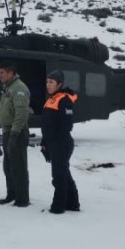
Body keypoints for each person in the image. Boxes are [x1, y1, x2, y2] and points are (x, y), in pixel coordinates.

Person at [40, 69, 80, 214]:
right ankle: (73, 203)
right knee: (63, 173)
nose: (48, 85)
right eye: (47, 82)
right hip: (53, 143)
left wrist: (54, 143)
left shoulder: (64, 100)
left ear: (59, 84)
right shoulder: (52, 98)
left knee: (58, 176)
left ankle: (58, 206)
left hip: (62, 143)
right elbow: (47, 124)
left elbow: (67, 125)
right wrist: (45, 143)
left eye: (51, 82)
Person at [0, 61, 31, 207]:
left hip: (17, 132)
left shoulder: (20, 88)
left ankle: (22, 199)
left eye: (2, 73)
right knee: (8, 166)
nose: (0, 76)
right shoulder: (8, 87)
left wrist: (15, 134)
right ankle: (12, 194)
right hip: (7, 131)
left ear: (11, 73)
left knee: (18, 167)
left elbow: (21, 113)